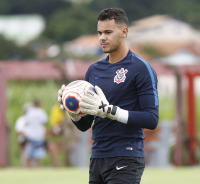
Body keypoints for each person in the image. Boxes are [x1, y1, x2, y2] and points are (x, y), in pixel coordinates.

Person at [58, 8, 159, 184]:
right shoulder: (93, 70)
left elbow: (151, 119)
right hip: (97, 156)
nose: (102, 38)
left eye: (108, 32)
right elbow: (85, 125)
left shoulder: (141, 68)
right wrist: (73, 112)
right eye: (99, 32)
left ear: (124, 32)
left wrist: (112, 111)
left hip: (126, 156)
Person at [23, 99, 48, 167]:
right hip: (39, 135)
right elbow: (45, 121)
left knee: (29, 154)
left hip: (30, 135)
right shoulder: (41, 111)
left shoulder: (29, 112)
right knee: (38, 155)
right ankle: (37, 168)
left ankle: (27, 168)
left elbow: (26, 122)